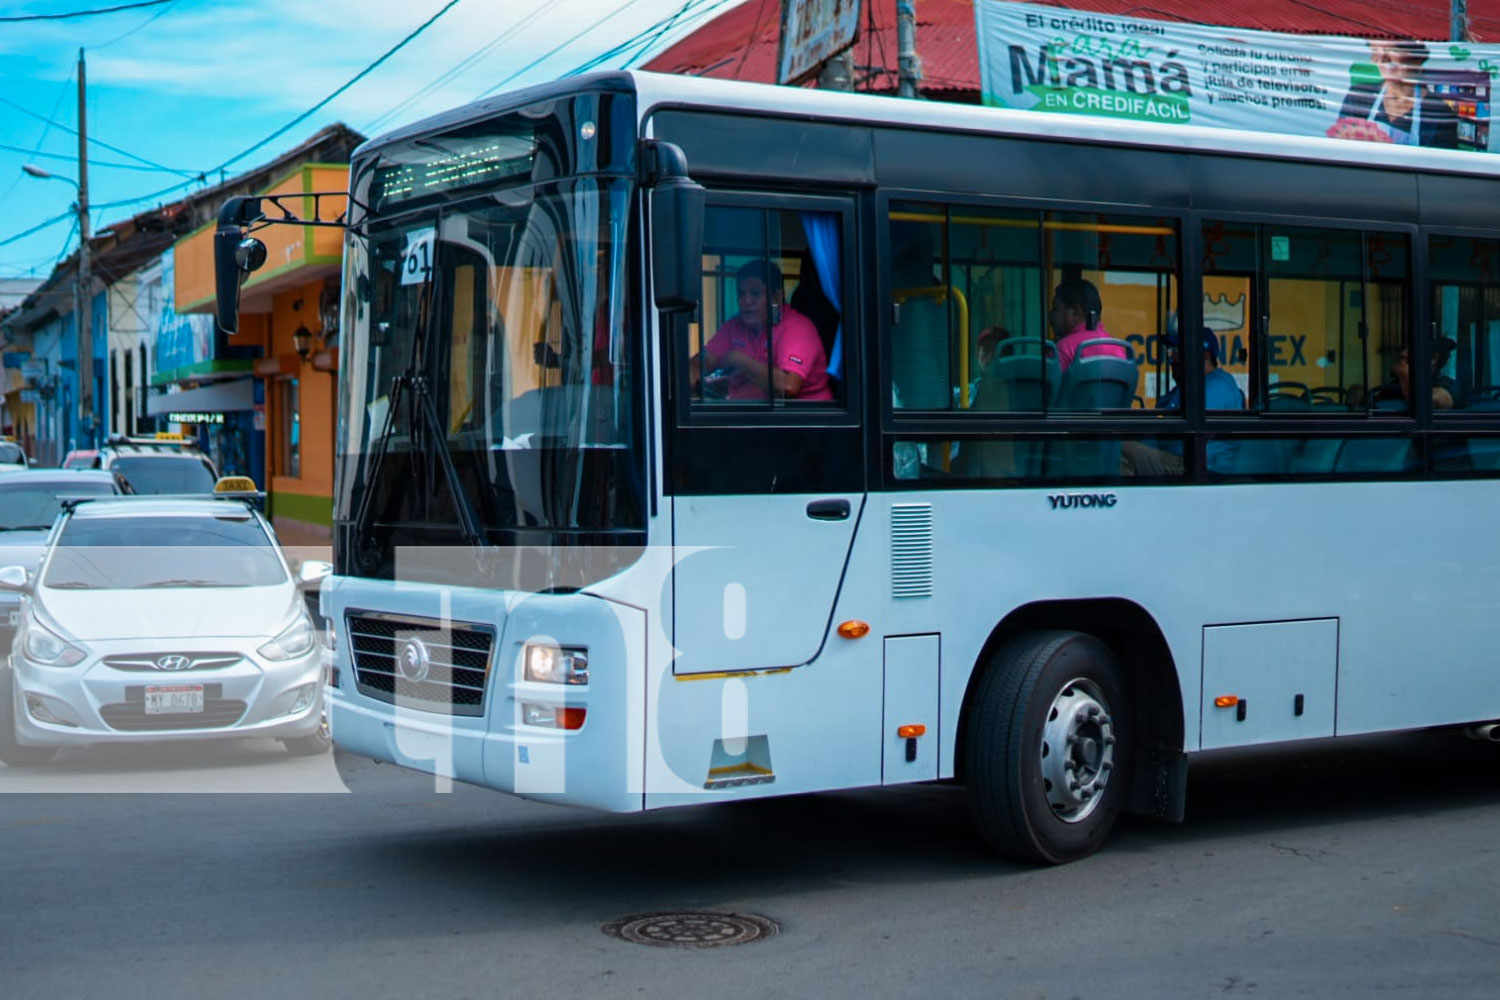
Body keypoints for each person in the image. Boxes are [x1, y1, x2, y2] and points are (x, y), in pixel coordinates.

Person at [690, 259, 832, 402]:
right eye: (741, 294)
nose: (746, 301)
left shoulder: (797, 327)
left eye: (755, 293)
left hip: (804, 419)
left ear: (777, 296)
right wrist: (695, 368)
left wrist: (739, 360)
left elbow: (788, 386)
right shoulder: (736, 324)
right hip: (755, 414)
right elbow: (710, 356)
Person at [1333, 40, 1459, 150]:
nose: (1382, 59)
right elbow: (1341, 148)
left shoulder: (1440, 114)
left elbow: (1440, 167)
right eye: (1375, 50)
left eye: (1392, 50)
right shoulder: (1359, 97)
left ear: (1417, 58)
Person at [1050, 278, 1126, 373]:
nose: (1051, 315)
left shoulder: (1064, 348)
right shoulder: (1118, 349)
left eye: (1056, 309)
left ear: (1075, 313)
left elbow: (1049, 386)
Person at [1372, 337, 1459, 410]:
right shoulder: (1396, 385)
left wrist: (1404, 374)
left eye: (1412, 349)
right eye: (1404, 348)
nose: (1403, 354)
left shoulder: (1448, 386)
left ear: (1433, 358)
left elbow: (1427, 403)